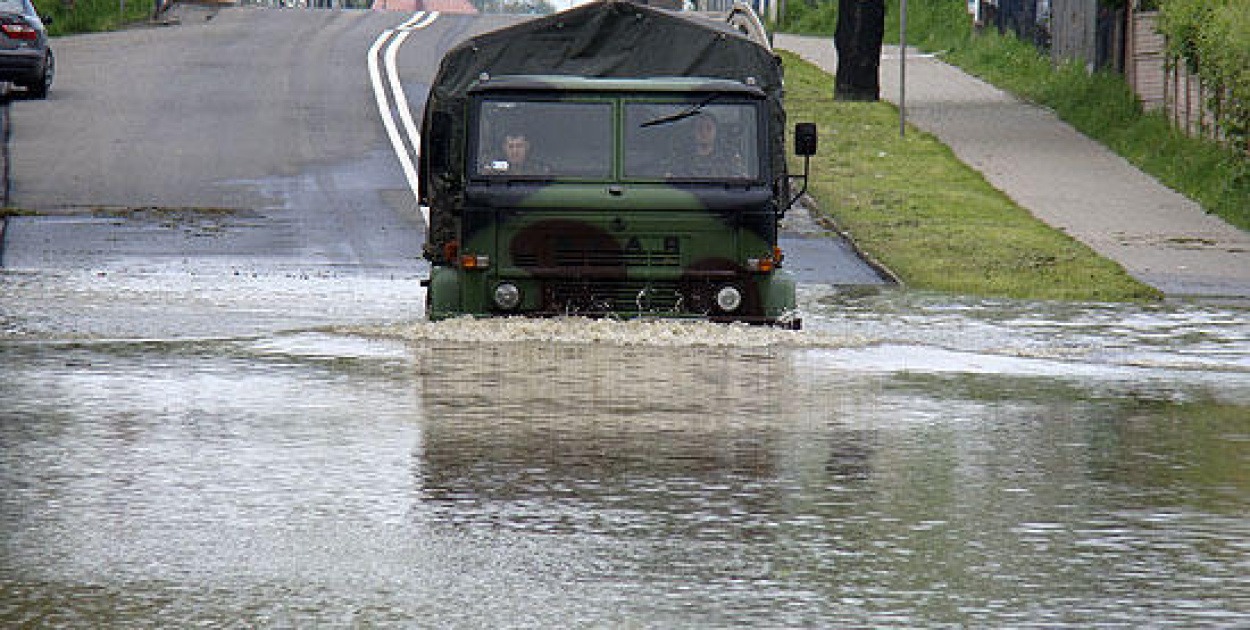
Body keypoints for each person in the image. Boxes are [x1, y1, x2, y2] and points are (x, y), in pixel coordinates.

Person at [666, 113, 746, 179]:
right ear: (692, 132)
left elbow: (741, 182)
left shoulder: (729, 158)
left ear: (716, 131)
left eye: (709, 128)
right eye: (699, 128)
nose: (704, 132)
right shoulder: (680, 158)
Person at [483, 132, 551, 176]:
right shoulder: (494, 168)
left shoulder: (540, 170)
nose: (515, 151)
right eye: (511, 146)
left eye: (519, 146)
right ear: (504, 148)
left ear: (527, 147)